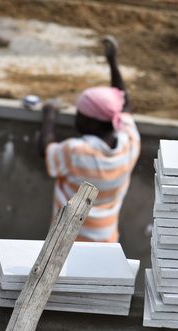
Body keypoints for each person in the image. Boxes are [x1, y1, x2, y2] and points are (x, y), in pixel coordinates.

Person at [38, 36, 140, 242]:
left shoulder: (76, 152)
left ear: (92, 123)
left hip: (64, 245)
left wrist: (49, 115)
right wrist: (113, 63)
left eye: (80, 114)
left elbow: (45, 149)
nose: (77, 118)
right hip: (106, 240)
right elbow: (124, 104)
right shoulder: (129, 143)